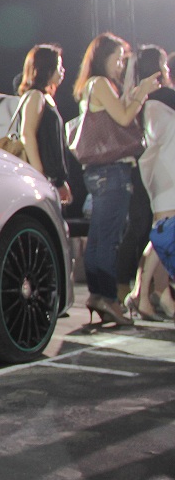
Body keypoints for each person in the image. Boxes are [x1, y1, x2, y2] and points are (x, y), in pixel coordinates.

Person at [71, 33, 160, 326]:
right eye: (118, 58)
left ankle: (99, 295)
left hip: (99, 172)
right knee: (108, 239)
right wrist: (142, 93)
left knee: (100, 237)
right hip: (111, 170)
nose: (121, 65)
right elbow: (123, 117)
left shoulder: (92, 85)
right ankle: (108, 298)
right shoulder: (100, 83)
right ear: (104, 57)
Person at [127, 44, 175, 319]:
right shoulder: (163, 97)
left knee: (161, 235)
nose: (167, 71)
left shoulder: (146, 99)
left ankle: (156, 295)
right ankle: (141, 294)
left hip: (161, 171)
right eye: (164, 65)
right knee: (162, 236)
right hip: (168, 172)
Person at [17, 44, 72, 205]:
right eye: (59, 66)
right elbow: (27, 134)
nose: (62, 71)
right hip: (42, 179)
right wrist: (39, 174)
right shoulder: (35, 96)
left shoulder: (44, 97)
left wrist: (60, 181)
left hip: (51, 179)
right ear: (47, 68)